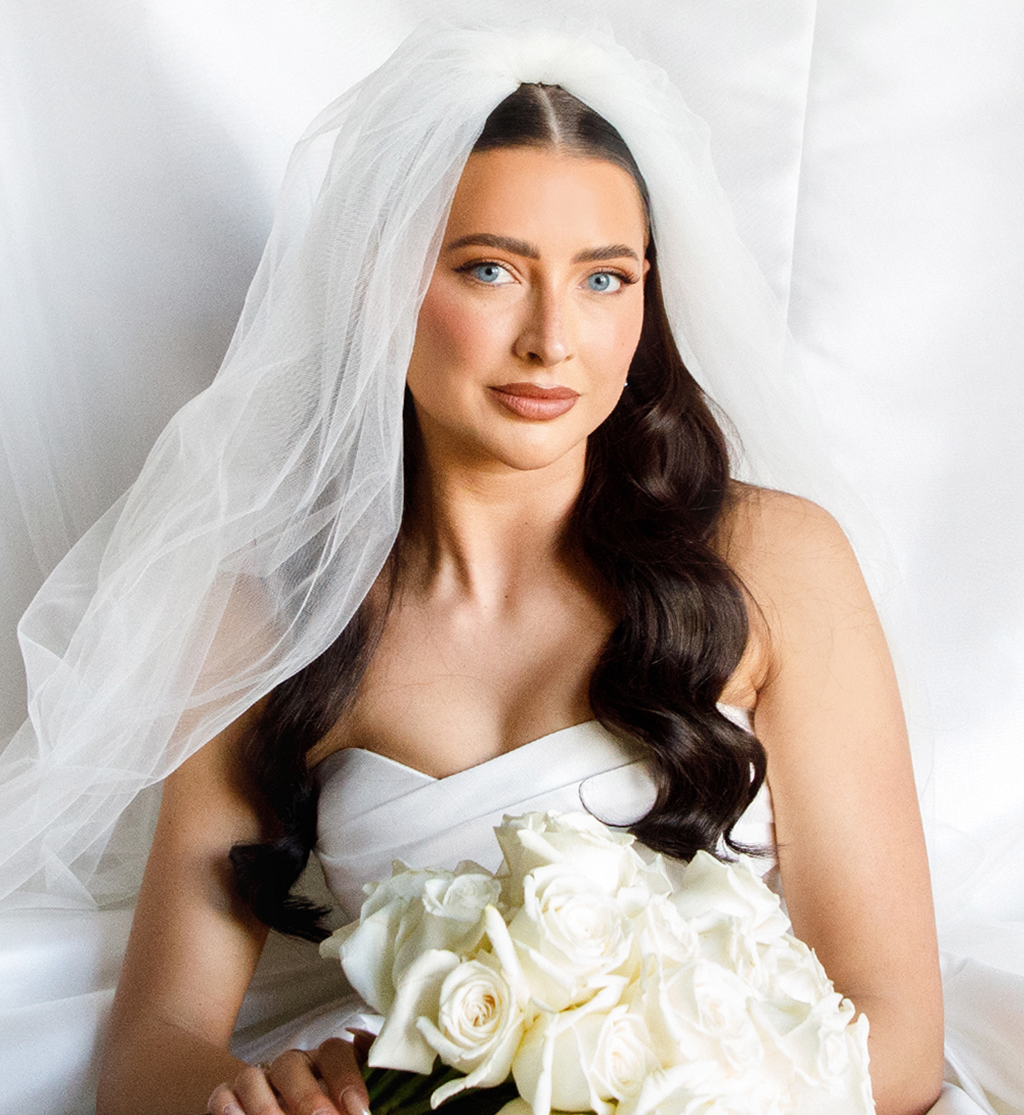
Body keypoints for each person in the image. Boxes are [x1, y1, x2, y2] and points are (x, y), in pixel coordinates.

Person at [0, 19, 1002, 1115]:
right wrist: (264, 1102)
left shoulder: (774, 563)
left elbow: (895, 1033)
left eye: (604, 280)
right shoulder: (259, 621)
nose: (552, 339)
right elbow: (156, 1042)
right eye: (490, 269)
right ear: (380, 284)